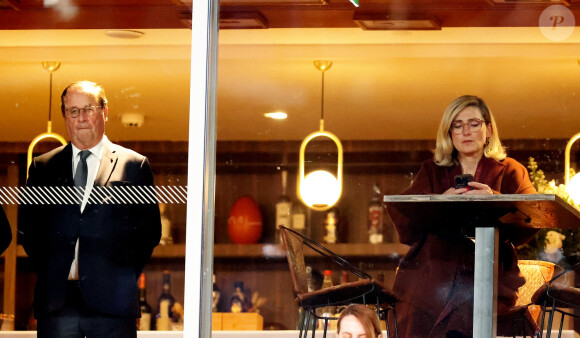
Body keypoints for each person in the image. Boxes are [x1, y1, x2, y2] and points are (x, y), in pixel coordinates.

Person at [18, 81, 161, 338]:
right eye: (73, 111)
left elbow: (148, 235)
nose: (81, 117)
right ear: (65, 116)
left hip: (114, 307)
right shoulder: (42, 168)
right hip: (57, 305)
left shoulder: (134, 165)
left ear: (105, 111)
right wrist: (56, 271)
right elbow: (30, 234)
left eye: (89, 109)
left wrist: (117, 277)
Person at [386, 95, 536, 337]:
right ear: (450, 133)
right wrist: (439, 203)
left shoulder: (511, 171)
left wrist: (495, 199)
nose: (465, 131)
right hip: (433, 273)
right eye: (457, 125)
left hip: (489, 274)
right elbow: (405, 220)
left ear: (488, 130)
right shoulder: (431, 171)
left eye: (474, 123)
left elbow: (533, 216)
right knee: (413, 310)